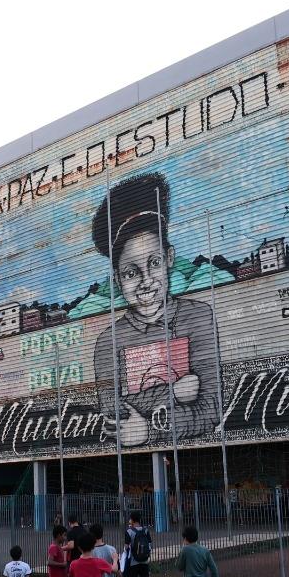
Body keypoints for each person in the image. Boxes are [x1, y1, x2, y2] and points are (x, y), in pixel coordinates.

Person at [89, 172, 218, 449]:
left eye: (155, 263)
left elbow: (211, 407)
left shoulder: (197, 318)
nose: (146, 281)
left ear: (169, 257)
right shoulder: (107, 343)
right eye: (131, 272)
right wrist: (173, 391)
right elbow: (114, 414)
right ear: (117, 278)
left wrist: (149, 429)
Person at [122, 511, 152, 577]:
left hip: (133, 562)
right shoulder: (146, 530)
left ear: (132, 520)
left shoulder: (129, 531)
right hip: (144, 561)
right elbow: (149, 544)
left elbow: (126, 547)